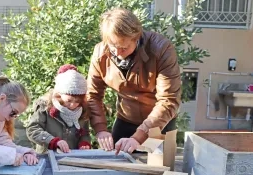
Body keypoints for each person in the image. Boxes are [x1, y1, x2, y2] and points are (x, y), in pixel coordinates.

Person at [87, 8, 181, 154]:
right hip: (125, 121)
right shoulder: (100, 54)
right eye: (113, 47)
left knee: (156, 173)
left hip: (160, 124)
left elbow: (168, 100)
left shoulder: (161, 49)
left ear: (136, 38)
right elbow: (93, 95)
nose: (118, 54)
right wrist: (100, 129)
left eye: (123, 48)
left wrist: (139, 137)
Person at [26, 64, 91, 154]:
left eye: (77, 101)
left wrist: (84, 143)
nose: (73, 105)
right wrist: (52, 141)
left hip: (73, 157)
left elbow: (85, 133)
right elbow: (33, 129)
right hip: (47, 155)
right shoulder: (45, 107)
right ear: (59, 94)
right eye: (69, 100)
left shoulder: (82, 110)